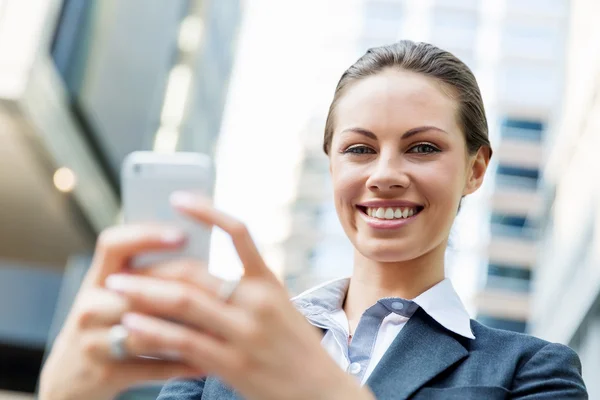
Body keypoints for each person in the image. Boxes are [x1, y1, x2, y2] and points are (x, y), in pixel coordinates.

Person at [39, 40, 587, 400]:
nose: (386, 174)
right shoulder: (223, 351)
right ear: (330, 164)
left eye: (422, 148)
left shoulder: (529, 373)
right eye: (359, 149)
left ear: (475, 169)